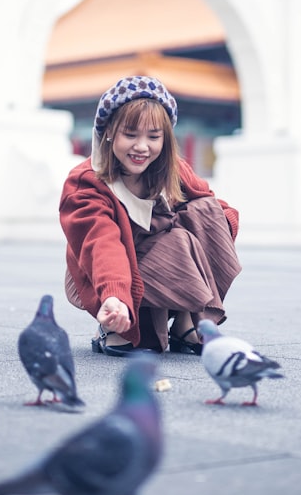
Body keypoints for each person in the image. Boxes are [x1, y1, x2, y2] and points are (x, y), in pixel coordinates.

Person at [59, 76, 242, 356]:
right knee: (143, 340)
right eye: (130, 135)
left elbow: (213, 211)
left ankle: (185, 323)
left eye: (153, 137)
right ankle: (114, 326)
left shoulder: (171, 169)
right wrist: (114, 295)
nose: (142, 147)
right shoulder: (87, 182)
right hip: (106, 272)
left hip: (162, 260)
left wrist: (218, 232)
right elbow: (102, 244)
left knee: (207, 211)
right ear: (109, 131)